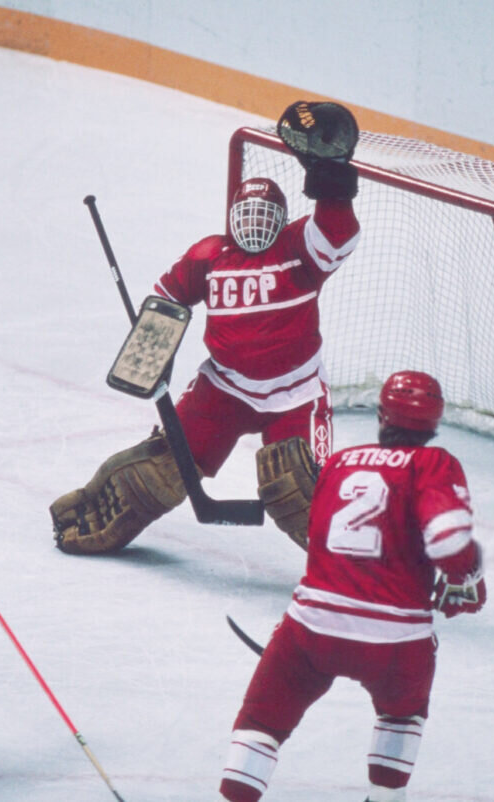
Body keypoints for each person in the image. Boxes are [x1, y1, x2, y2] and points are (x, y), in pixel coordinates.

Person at [52, 101, 362, 555]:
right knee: (161, 470)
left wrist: (330, 172)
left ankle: (359, 568)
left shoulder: (299, 246)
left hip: (296, 394)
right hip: (225, 390)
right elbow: (166, 300)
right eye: (247, 213)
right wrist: (151, 357)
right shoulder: (211, 257)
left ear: (281, 218)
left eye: (265, 215)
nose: (255, 224)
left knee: (297, 489)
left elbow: (337, 227)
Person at [218, 370, 488, 802]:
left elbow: (318, 537)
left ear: (381, 415)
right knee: (403, 715)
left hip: (311, 630)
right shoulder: (434, 463)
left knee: (262, 722)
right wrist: (467, 576)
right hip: (396, 641)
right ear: (435, 423)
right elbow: (449, 542)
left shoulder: (340, 462)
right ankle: (384, 796)